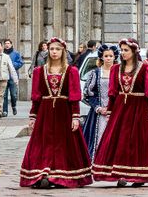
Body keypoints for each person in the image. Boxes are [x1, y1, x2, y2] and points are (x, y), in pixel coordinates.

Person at [20, 37, 92, 188]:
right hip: (45, 113)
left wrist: (75, 117)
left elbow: (74, 96)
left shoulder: (71, 71)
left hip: (64, 112)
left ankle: (61, 175)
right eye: (52, 49)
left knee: (62, 144)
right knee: (43, 143)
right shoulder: (39, 71)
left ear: (63, 51)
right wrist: (33, 116)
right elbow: (36, 97)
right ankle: (42, 173)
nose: (54, 52)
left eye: (58, 49)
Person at [92, 38, 148, 186]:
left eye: (126, 50)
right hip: (120, 110)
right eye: (122, 50)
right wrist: (110, 112)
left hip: (139, 109)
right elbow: (112, 93)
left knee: (137, 142)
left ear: (134, 51)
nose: (123, 53)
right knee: (120, 142)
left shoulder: (145, 69)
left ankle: (139, 175)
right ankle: (121, 174)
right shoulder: (115, 69)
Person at [82, 44, 118, 160]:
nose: (108, 58)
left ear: (115, 57)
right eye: (106, 56)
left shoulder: (119, 73)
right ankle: (98, 160)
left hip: (116, 111)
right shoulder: (96, 73)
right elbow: (88, 94)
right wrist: (98, 107)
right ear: (101, 57)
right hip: (98, 113)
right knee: (98, 136)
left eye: (110, 56)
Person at [0, 41, 18, 119]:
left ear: (2, 47)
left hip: (2, 80)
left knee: (0, 96)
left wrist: (15, 79)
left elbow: (11, 68)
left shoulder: (6, 57)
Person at [2, 39, 23, 116]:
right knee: (4, 95)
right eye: (5, 43)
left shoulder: (15, 53)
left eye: (8, 43)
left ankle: (13, 106)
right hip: (4, 77)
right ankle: (5, 111)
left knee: (13, 94)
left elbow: (21, 62)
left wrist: (12, 65)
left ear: (11, 44)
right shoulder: (2, 53)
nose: (7, 45)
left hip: (13, 77)